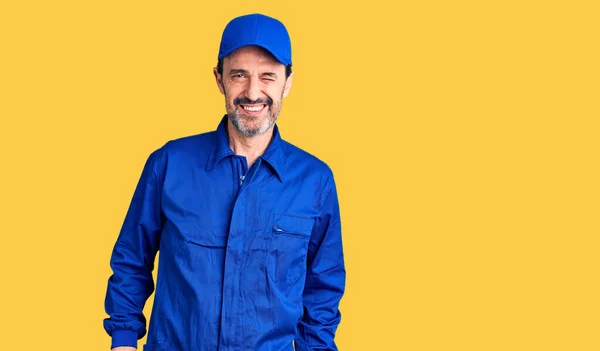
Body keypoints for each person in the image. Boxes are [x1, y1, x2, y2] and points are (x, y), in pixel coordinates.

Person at [103, 13, 346, 351]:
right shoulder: (170, 163)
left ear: (287, 83)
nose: (253, 92)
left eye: (267, 77)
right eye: (239, 75)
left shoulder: (315, 181)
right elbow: (132, 258)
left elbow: (322, 290)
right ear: (219, 79)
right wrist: (124, 340)